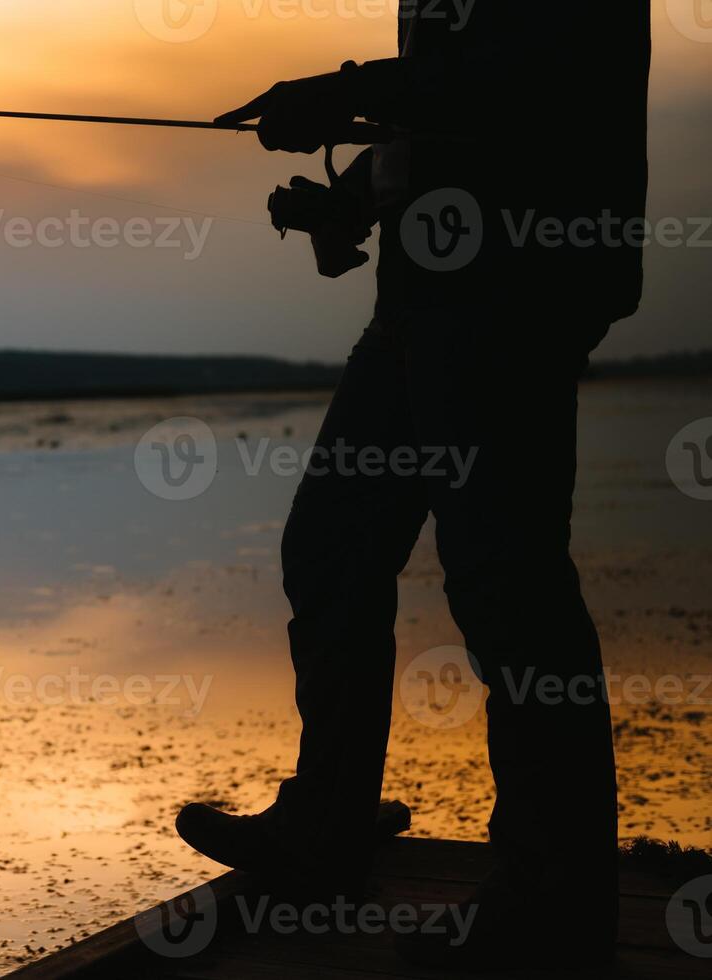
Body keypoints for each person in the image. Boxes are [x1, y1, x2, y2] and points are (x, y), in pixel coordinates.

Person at [175, 3, 651, 969]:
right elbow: (441, 115)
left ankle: (551, 904)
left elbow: (521, 74)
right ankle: (328, 826)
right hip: (423, 299)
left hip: (514, 292)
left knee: (508, 584)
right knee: (332, 544)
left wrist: (339, 92)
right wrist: (352, 201)